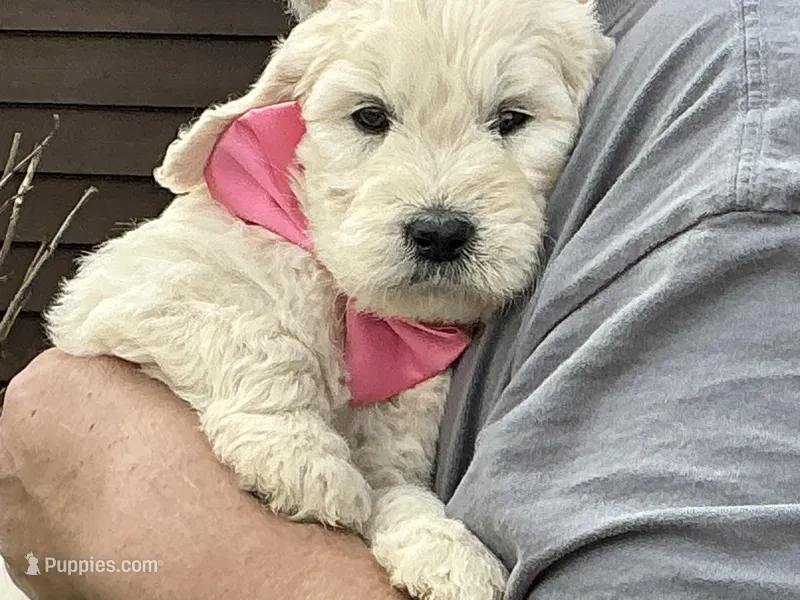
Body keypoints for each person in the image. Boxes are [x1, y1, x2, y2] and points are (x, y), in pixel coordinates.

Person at [2, 0, 799, 597]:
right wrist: (266, 404)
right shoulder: (238, 232)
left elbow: (378, 478)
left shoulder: (729, 79)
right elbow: (101, 309)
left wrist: (409, 526)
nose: (439, 209)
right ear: (286, 104)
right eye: (372, 118)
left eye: (509, 120)